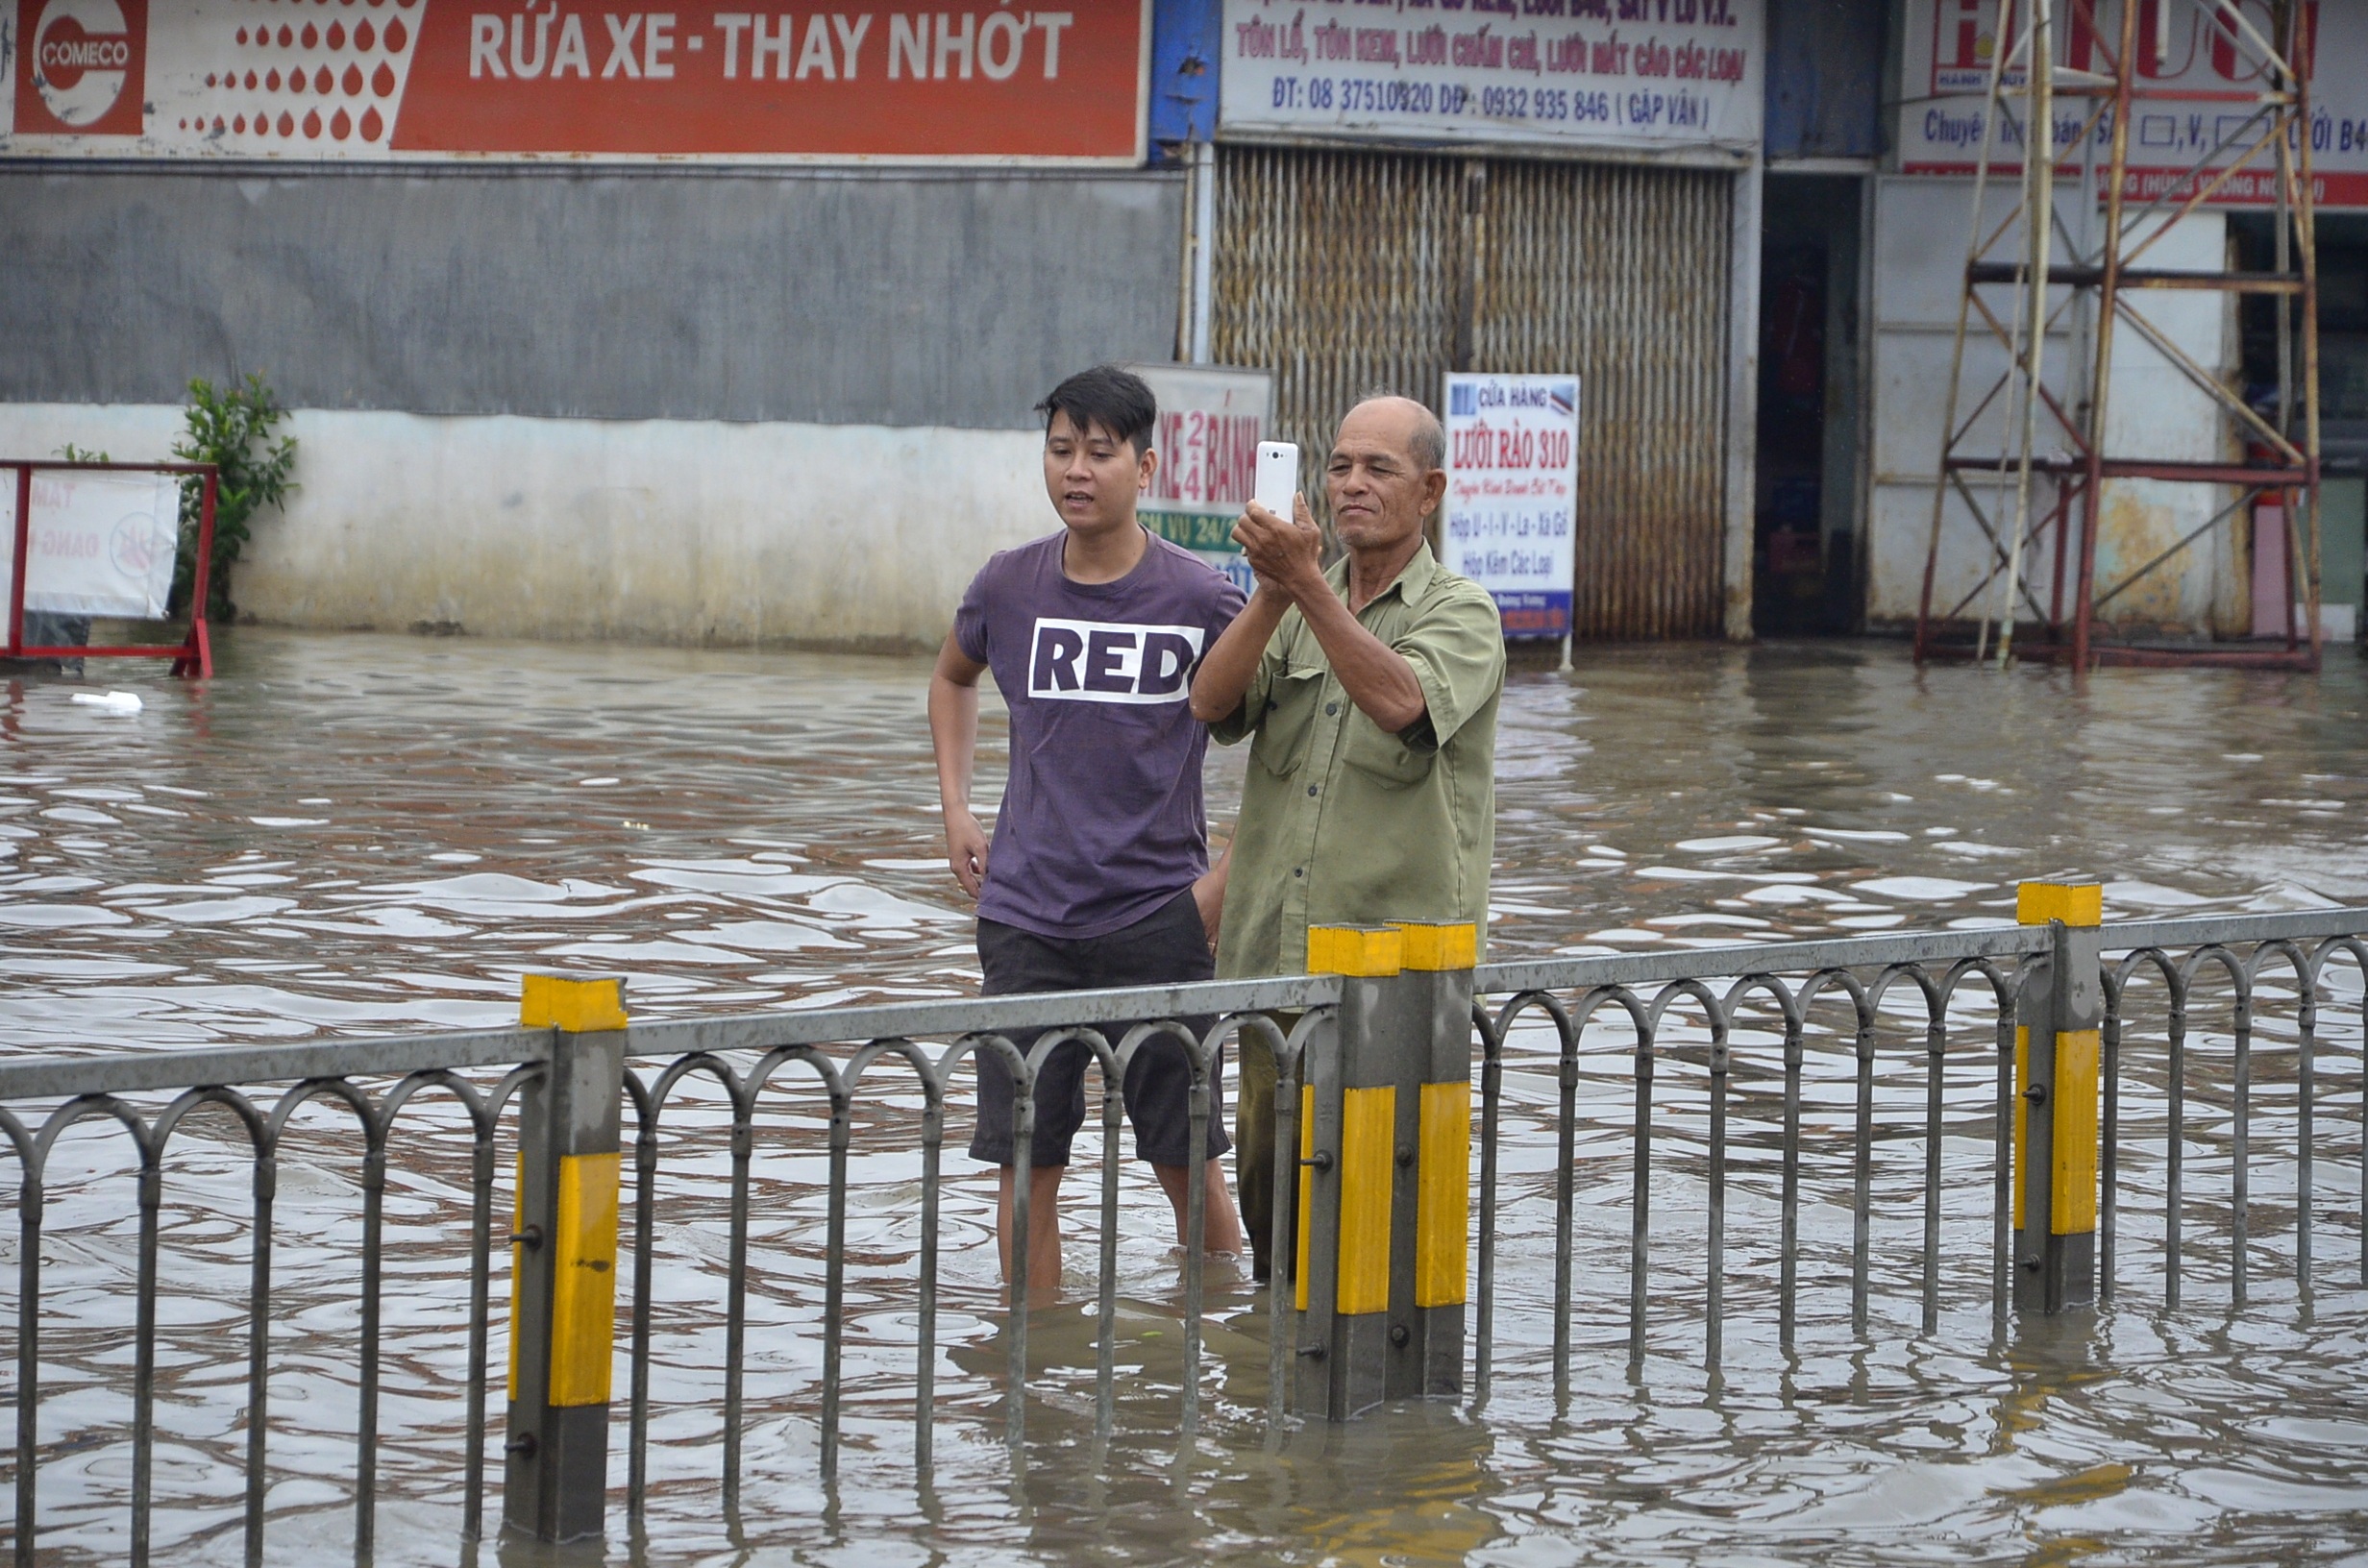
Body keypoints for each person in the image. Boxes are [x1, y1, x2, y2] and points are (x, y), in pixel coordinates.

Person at [928, 364, 1247, 1293]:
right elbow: (952, 677)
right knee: (1027, 1167)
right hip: (1027, 919)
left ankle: (1225, 1337)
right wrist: (956, 807)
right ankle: (1030, 1372)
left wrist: (1228, 878)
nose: (1077, 470)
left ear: (1147, 467)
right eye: (1061, 449)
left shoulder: (1201, 599)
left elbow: (1284, 729)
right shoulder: (1008, 586)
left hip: (1158, 918)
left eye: (1100, 453)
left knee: (1188, 1164)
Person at [1188, 394, 1506, 1282]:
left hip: (1391, 988)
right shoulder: (1292, 607)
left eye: (1379, 469)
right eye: (1338, 466)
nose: (1351, 485)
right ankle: (1271, 1406)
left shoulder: (1463, 612)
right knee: (1277, 1245)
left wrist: (1311, 587)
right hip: (1275, 969)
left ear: (1430, 490)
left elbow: (1404, 704)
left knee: (1382, 1260)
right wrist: (1274, 590)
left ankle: (1389, 1422)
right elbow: (1209, 705)